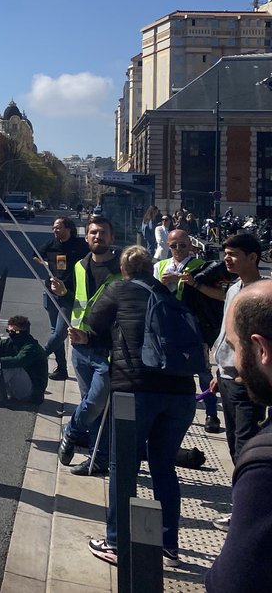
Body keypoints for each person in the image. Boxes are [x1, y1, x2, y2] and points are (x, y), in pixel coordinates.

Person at [79, 245, 196, 569]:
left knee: (124, 466)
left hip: (137, 391)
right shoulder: (167, 293)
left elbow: (94, 324)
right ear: (150, 269)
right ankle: (168, 546)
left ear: (125, 268)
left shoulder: (119, 288)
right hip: (181, 393)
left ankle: (116, 542)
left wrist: (92, 338)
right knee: (164, 467)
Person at [205, 280, 272, 592]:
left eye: (234, 349)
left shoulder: (264, 464)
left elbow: (232, 583)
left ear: (261, 350)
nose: (234, 366)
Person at [206, 233, 268, 531]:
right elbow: (225, 333)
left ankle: (247, 514)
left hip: (247, 383)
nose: (227, 259)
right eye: (225, 254)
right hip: (227, 377)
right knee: (233, 444)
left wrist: (248, 373)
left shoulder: (261, 294)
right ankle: (242, 508)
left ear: (253, 258)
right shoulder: (232, 289)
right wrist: (220, 368)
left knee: (246, 448)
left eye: (233, 255)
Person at [54, 216, 122, 476]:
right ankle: (99, 458)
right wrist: (63, 293)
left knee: (95, 403)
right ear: (86, 237)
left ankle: (71, 432)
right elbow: (78, 300)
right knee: (92, 405)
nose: (98, 237)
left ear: (112, 238)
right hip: (80, 349)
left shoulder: (120, 270)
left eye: (103, 233)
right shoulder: (80, 266)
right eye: (93, 232)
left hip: (108, 349)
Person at [158, 229, 224, 433]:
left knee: (203, 370)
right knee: (168, 370)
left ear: (190, 245)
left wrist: (191, 281)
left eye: (182, 245)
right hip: (169, 326)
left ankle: (211, 415)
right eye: (173, 246)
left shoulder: (201, 266)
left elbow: (219, 294)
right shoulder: (160, 266)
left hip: (195, 326)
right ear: (168, 247)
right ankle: (168, 411)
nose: (178, 249)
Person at [34, 216, 89, 382]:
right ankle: (61, 369)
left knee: (60, 333)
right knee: (53, 330)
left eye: (58, 227)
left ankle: (38, 356)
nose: (55, 230)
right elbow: (35, 255)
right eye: (53, 228)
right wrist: (46, 264)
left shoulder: (79, 245)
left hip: (70, 294)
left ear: (68, 228)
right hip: (51, 293)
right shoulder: (51, 245)